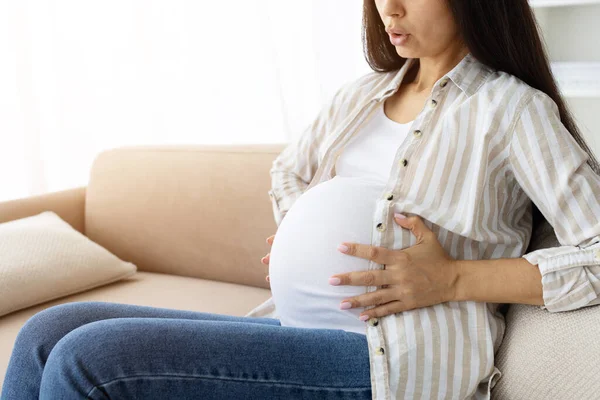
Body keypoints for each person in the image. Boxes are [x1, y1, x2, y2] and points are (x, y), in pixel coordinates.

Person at [3, 1, 600, 400]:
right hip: (295, 327)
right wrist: (299, 232)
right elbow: (288, 173)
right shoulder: (362, 96)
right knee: (48, 330)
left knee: (89, 357)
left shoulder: (512, 109)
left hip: (394, 362)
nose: (388, 6)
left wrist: (452, 279)